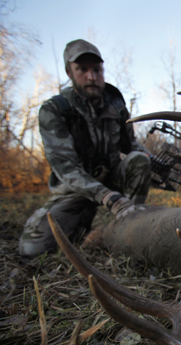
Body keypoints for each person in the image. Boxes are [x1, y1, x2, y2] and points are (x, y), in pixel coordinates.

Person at [19, 39, 151, 257]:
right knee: (32, 249)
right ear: (69, 72)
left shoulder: (116, 104)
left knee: (140, 159)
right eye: (82, 69)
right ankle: (77, 221)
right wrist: (109, 198)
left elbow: (130, 145)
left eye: (97, 70)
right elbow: (66, 169)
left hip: (111, 177)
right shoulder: (54, 110)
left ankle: (132, 226)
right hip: (76, 190)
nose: (91, 77)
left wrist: (148, 156)